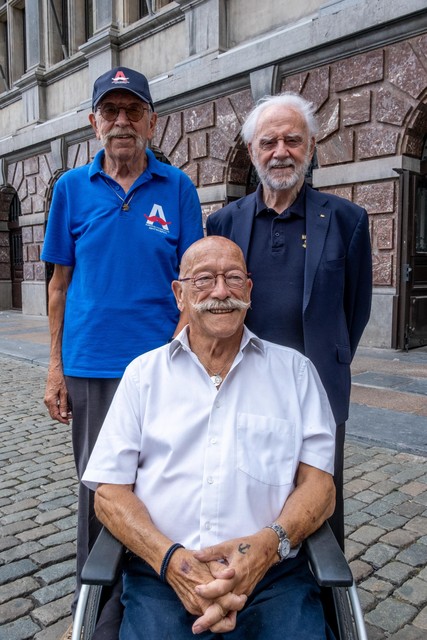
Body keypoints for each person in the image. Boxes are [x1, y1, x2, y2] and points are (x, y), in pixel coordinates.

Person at [82, 235, 337, 639]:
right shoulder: (143, 376)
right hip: (163, 575)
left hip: (271, 574)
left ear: (249, 291)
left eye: (233, 278)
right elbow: (109, 494)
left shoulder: (296, 373)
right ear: (179, 294)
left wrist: (266, 546)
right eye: (203, 279)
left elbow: (320, 487)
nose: (221, 291)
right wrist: (173, 562)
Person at [41, 66, 203, 637]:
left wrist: (183, 354)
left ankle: (155, 589)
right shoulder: (70, 189)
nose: (121, 122)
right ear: (93, 123)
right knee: (98, 491)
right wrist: (55, 369)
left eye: (132, 110)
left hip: (163, 369)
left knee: (160, 485)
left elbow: (192, 282)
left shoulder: (178, 188)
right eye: (110, 111)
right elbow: (58, 285)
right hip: (92, 367)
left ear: (151, 120)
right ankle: (97, 608)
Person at [206, 93, 372, 549]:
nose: (281, 151)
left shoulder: (347, 220)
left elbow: (355, 308)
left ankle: (325, 600)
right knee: (249, 491)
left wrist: (329, 354)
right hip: (244, 384)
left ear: (312, 146)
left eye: (292, 140)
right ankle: (254, 573)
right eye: (269, 142)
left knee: (319, 495)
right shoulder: (224, 223)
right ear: (253, 152)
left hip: (319, 385)